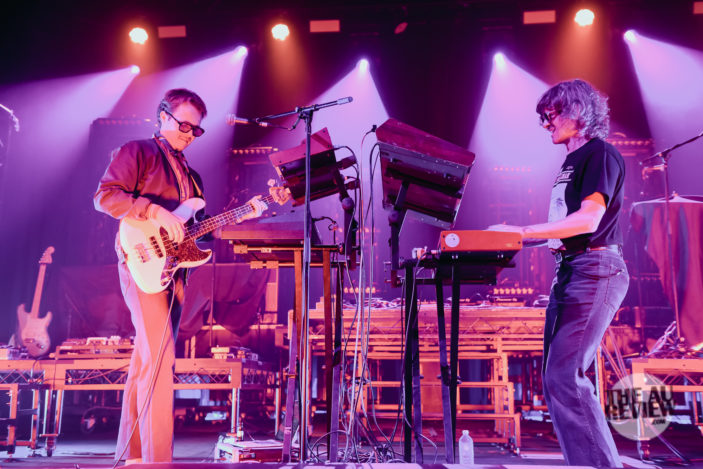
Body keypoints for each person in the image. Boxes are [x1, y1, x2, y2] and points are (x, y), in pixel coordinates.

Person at [94, 88, 269, 464]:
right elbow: (105, 196)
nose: (190, 134)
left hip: (173, 274)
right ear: (163, 116)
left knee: (147, 359)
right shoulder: (138, 151)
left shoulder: (193, 177)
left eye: (197, 130)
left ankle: (133, 455)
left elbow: (196, 231)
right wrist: (154, 211)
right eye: (184, 125)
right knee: (161, 358)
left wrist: (244, 214)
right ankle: (158, 460)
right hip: (141, 260)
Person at [490, 79, 629, 467]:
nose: (546, 122)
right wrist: (510, 237)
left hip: (595, 269)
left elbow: (588, 220)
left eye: (552, 114)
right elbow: (563, 228)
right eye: (543, 117)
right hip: (572, 270)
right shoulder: (571, 161)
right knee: (557, 379)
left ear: (579, 111)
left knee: (565, 376)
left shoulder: (600, 153)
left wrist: (522, 232)